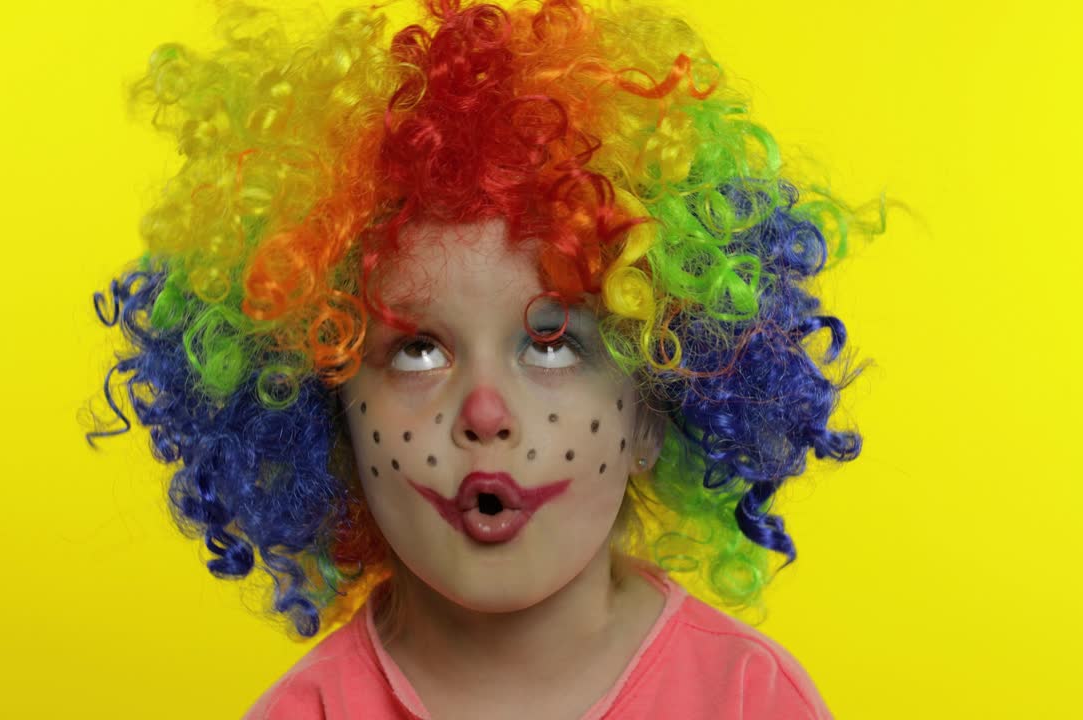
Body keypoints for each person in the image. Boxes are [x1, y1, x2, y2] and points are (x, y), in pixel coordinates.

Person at [89, 1, 876, 717]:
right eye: (418, 350)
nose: (485, 414)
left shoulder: (746, 700)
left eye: (552, 344)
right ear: (325, 411)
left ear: (654, 407)